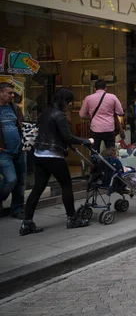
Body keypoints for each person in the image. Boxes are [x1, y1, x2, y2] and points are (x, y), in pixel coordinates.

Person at [20, 88, 94, 236]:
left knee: (37, 188)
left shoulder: (45, 113)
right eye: (70, 101)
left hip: (39, 154)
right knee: (66, 186)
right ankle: (72, 218)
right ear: (66, 102)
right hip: (54, 156)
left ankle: (27, 222)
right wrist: (86, 141)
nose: (71, 104)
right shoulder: (60, 116)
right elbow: (68, 137)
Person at [0, 82, 26, 219]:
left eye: (13, 93)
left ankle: (17, 208)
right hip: (4, 152)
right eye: (9, 93)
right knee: (11, 180)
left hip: (19, 149)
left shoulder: (15, 108)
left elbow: (21, 125)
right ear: (1, 93)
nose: (12, 95)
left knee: (20, 181)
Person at [79, 80, 125, 152]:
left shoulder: (88, 98)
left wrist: (91, 116)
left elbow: (82, 115)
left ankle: (96, 163)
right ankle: (110, 163)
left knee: (94, 152)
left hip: (95, 129)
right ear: (106, 88)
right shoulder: (113, 97)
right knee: (111, 152)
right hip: (109, 128)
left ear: (94, 88)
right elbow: (120, 112)